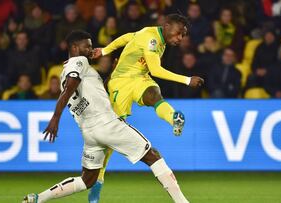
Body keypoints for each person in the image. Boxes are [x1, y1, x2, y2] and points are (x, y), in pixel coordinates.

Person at [23, 30, 189, 203]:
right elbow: (69, 88)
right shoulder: (78, 62)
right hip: (106, 123)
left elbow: (94, 92)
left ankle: (37, 198)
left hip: (90, 133)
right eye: (86, 45)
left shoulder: (67, 71)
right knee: (152, 154)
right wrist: (55, 118)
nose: (90, 49)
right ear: (74, 47)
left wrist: (112, 73)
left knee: (87, 180)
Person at [91, 13, 204, 203]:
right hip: (121, 82)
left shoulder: (151, 34)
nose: (179, 39)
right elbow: (156, 70)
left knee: (154, 95)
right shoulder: (152, 39)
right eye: (178, 34)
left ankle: (174, 118)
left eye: (183, 35)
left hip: (140, 78)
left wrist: (105, 51)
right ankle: (98, 180)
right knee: (111, 134)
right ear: (166, 25)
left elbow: (128, 37)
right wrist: (187, 80)